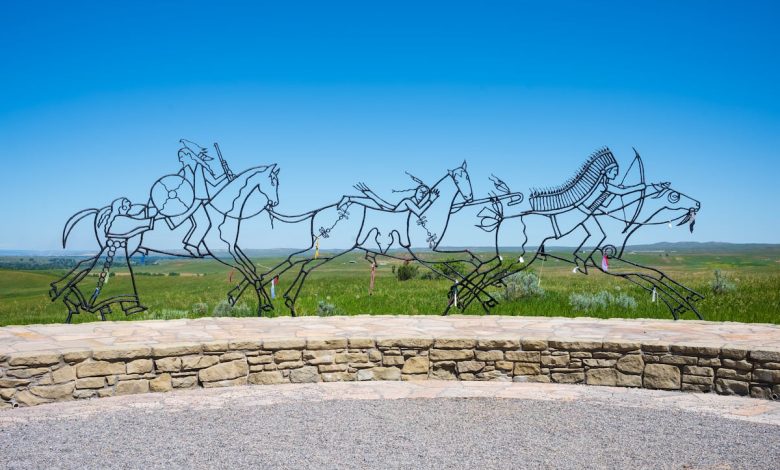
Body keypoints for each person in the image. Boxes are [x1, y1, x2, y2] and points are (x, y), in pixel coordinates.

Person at [171, 140, 230, 256]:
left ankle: (191, 245)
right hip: (193, 202)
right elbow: (176, 186)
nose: (180, 159)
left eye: (182, 156)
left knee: (204, 224)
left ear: (189, 156)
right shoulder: (184, 172)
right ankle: (191, 246)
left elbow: (214, 182)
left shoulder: (199, 169)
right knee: (203, 224)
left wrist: (225, 174)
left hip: (199, 200)